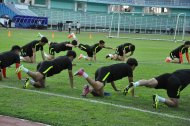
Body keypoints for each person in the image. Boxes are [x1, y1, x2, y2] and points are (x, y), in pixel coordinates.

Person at [124, 69, 190, 109]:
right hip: (175, 82)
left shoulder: (186, 70)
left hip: (168, 76)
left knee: (149, 83)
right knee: (175, 104)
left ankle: (135, 84)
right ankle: (158, 98)